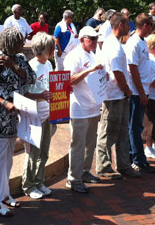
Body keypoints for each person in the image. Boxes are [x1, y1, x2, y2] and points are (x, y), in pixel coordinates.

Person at [0, 27, 36, 217]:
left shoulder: (18, 59)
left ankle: (4, 194)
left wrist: (14, 66)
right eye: (20, 41)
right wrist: (4, 103)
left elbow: (31, 77)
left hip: (15, 118)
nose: (23, 44)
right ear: (10, 43)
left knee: (8, 157)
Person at [96, 13, 140, 180]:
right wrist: (127, 90)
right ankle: (104, 166)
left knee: (122, 132)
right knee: (108, 132)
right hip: (113, 96)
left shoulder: (113, 43)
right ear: (121, 24)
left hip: (118, 95)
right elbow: (117, 72)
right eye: (128, 23)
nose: (130, 27)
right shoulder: (113, 46)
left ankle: (123, 165)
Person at [63, 26, 103, 193]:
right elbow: (69, 80)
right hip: (79, 107)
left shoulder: (92, 54)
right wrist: (90, 70)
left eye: (95, 39)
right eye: (91, 39)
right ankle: (73, 179)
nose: (94, 42)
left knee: (90, 143)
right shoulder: (74, 56)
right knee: (78, 144)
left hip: (92, 106)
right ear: (82, 40)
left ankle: (85, 172)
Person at [22, 32, 54, 199]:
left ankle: (39, 181)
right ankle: (28, 185)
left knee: (44, 151)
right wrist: (41, 96)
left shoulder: (48, 64)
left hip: (47, 113)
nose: (53, 51)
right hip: (33, 115)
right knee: (32, 153)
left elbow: (51, 85)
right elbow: (23, 93)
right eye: (51, 48)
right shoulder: (31, 67)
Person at [124, 13, 155, 174]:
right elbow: (132, 68)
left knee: (136, 125)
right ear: (145, 25)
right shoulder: (134, 43)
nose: (152, 27)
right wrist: (142, 92)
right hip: (137, 92)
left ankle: (133, 156)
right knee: (135, 126)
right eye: (150, 24)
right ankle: (138, 159)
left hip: (142, 90)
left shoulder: (141, 42)